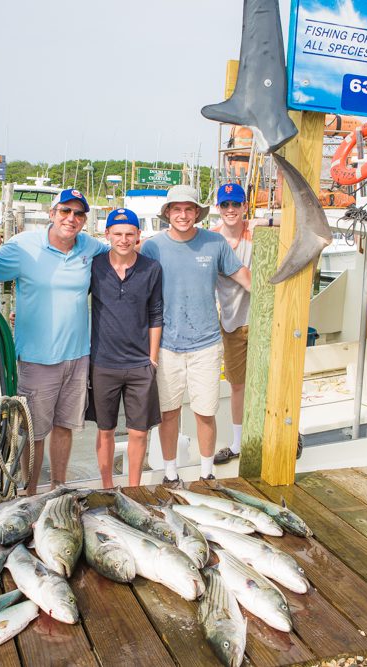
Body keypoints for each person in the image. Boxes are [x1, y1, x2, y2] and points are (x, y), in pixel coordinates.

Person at [0, 188, 107, 495]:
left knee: (65, 427)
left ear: (85, 220)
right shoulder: (22, 246)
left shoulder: (89, 246)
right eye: (65, 211)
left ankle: (59, 486)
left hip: (77, 356)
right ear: (51, 213)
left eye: (79, 214)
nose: (71, 219)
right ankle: (28, 493)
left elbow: (124, 250)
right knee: (33, 432)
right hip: (36, 359)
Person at [140, 185, 251, 486]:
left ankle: (206, 472)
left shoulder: (214, 243)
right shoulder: (152, 247)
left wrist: (278, 300)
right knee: (169, 412)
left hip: (206, 343)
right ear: (167, 213)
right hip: (166, 345)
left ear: (197, 213)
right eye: (177, 209)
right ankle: (170, 473)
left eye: (189, 209)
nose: (183, 215)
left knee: (205, 412)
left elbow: (244, 277)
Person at [89, 208, 163, 488]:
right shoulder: (95, 266)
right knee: (105, 430)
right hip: (103, 363)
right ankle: (107, 487)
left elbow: (156, 314)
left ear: (138, 236)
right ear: (107, 234)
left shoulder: (151, 268)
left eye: (129, 234)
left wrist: (152, 359)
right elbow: (69, 297)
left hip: (139, 365)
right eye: (117, 234)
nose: (123, 239)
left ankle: (133, 490)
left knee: (139, 432)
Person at [210, 183, 251, 465]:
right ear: (218, 208)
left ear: (245, 207)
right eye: (225, 205)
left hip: (261, 318)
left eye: (236, 204)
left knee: (269, 381)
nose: (230, 210)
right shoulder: (211, 238)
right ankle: (237, 444)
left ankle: (287, 432)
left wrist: (266, 219)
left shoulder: (258, 232)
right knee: (237, 384)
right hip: (231, 322)